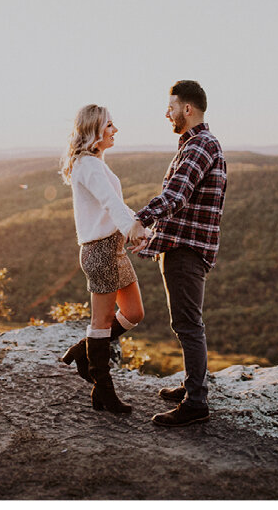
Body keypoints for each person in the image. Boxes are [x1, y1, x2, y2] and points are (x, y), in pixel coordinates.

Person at [130, 80, 227, 427]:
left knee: (188, 324)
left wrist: (139, 219)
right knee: (185, 322)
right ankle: (191, 386)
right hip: (180, 246)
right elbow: (181, 207)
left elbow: (176, 196)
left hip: (187, 251)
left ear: (187, 109)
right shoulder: (195, 144)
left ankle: (196, 403)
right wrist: (152, 237)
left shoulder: (200, 145)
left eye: (171, 107)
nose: (166, 113)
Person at [59, 103, 150, 414]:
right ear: (94, 131)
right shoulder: (87, 165)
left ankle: (84, 352)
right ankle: (103, 390)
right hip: (99, 252)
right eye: (109, 125)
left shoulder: (96, 163)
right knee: (101, 321)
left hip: (113, 248)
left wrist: (142, 228)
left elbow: (118, 206)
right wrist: (132, 229)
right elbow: (110, 203)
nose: (115, 130)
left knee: (134, 312)